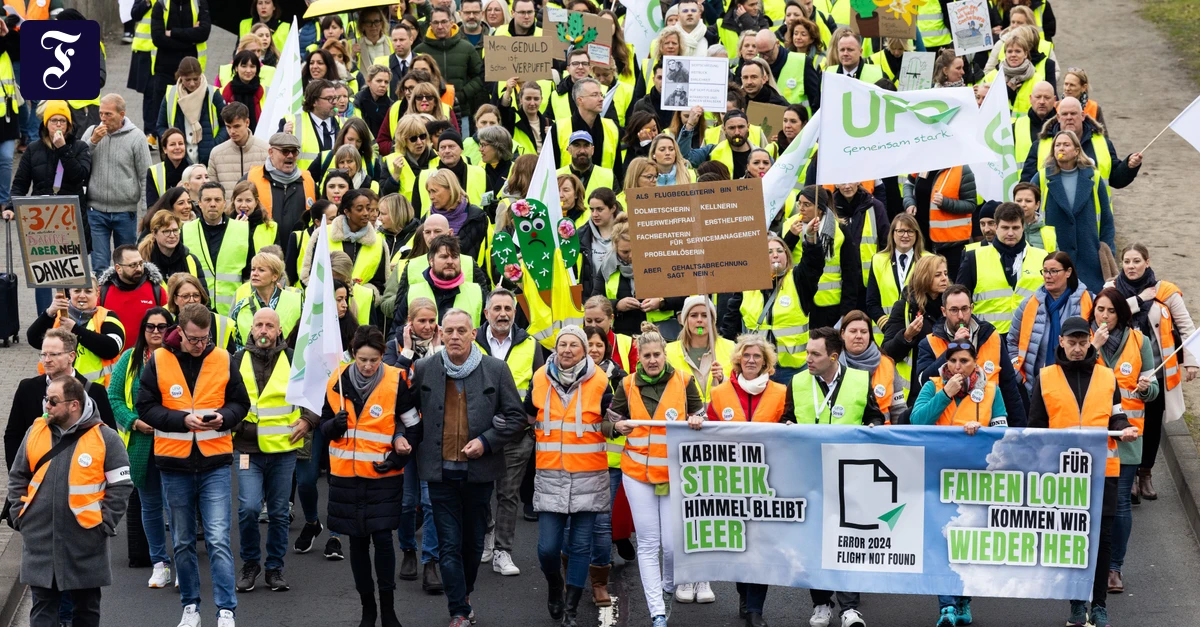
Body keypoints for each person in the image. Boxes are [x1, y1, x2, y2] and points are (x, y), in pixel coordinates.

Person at [397, 308, 526, 626]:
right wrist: (404, 435)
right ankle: (458, 610)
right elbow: (402, 405)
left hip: (479, 474)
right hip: (438, 473)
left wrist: (487, 441)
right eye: (449, 331)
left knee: (471, 544)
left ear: (473, 334)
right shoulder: (425, 368)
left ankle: (464, 594)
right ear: (441, 333)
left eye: (461, 331)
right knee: (449, 544)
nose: (455, 336)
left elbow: (517, 418)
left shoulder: (495, 369)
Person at [136, 303, 250, 627]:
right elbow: (145, 407)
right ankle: (191, 607)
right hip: (174, 464)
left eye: (205, 339)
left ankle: (226, 610)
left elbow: (241, 404)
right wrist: (181, 420)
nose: (199, 345)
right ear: (180, 332)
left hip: (214, 461)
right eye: (193, 339)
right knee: (184, 541)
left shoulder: (223, 358)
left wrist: (223, 418)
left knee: (217, 538)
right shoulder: (159, 359)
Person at [1027, 316, 1139, 627]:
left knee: (1102, 540)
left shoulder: (1107, 377)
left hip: (1103, 470)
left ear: (1090, 342)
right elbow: (1035, 428)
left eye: (1082, 342)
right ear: (1060, 342)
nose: (1077, 349)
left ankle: (1099, 605)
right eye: (1072, 343)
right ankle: (1077, 604)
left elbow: (1115, 417)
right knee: (1073, 541)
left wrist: (1125, 428)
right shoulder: (1046, 377)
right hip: (1062, 475)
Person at [6, 374, 132, 627]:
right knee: (43, 608)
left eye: (53, 401)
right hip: (40, 538)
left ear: (74, 404)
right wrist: (21, 516)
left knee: (85, 609)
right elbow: (18, 475)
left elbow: (121, 486)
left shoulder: (105, 438)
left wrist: (105, 524)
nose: (46, 406)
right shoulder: (35, 431)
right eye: (46, 399)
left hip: (85, 540)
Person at [319, 325, 417, 627]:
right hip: (346, 477)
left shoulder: (396, 380)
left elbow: (413, 425)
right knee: (357, 544)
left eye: (374, 360)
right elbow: (323, 427)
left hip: (383, 475)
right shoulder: (336, 379)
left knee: (383, 541)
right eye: (362, 359)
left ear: (381, 357)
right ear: (353, 354)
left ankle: (388, 610)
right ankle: (367, 610)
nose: (367, 366)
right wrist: (333, 426)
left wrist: (398, 456)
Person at [609, 322, 704, 627]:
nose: (651, 360)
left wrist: (696, 420)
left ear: (665, 354)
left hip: (674, 474)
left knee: (673, 546)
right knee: (649, 543)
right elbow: (609, 421)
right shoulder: (626, 384)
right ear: (638, 357)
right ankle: (657, 612)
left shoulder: (685, 380)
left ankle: (667, 586)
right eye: (646, 355)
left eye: (656, 355)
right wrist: (615, 427)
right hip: (637, 473)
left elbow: (702, 414)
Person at [783, 327, 879, 627]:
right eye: (807, 352)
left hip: (850, 473)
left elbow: (874, 415)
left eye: (815, 354)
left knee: (849, 540)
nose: (807, 359)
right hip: (810, 475)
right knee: (816, 542)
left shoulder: (860, 380)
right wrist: (785, 424)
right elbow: (788, 416)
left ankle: (850, 608)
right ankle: (821, 603)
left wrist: (875, 425)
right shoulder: (797, 382)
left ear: (833, 357)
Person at [908, 339, 1005, 627]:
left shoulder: (990, 390)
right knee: (942, 541)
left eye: (964, 361)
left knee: (969, 543)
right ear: (945, 363)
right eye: (952, 361)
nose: (958, 367)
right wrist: (944, 396)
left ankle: (963, 601)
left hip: (976, 478)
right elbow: (916, 422)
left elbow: (1003, 430)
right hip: (938, 476)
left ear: (975, 362)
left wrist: (983, 430)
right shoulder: (933, 386)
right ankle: (946, 606)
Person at [693, 333, 784, 625]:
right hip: (729, 483)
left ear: (766, 362)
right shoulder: (719, 394)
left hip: (767, 482)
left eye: (757, 356)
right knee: (739, 546)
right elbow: (705, 430)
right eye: (746, 355)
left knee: (761, 547)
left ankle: (755, 608)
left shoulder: (781, 392)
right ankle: (744, 596)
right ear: (738, 359)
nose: (751, 360)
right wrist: (697, 421)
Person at [522, 326, 611, 627]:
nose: (568, 349)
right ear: (555, 349)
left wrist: (618, 426)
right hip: (550, 475)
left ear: (585, 350)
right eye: (563, 344)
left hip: (588, 476)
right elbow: (526, 415)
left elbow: (614, 419)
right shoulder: (539, 378)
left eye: (575, 344)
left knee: (579, 547)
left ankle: (570, 610)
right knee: (547, 549)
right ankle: (554, 586)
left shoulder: (601, 382)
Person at [1106, 243, 1198, 502]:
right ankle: (1129, 475)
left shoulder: (1166, 292)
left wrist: (1192, 362)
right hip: (1120, 375)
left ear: (1147, 262)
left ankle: (1145, 474)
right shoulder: (1111, 291)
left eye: (1137, 261)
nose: (1131, 266)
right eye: (1126, 261)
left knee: (1153, 425)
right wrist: (1139, 301)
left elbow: (1186, 327)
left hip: (1155, 372)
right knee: (1125, 421)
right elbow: (1105, 315)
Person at [231, 308, 310, 594]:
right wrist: (237, 426)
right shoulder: (237, 360)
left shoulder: (293, 360)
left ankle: (275, 567)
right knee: (249, 508)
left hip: (283, 450)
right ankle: (251, 564)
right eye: (259, 325)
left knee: (278, 512)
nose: (264, 331)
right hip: (247, 449)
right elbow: (224, 397)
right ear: (251, 330)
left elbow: (313, 394)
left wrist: (309, 419)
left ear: (278, 331)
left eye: (269, 326)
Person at [1088, 287, 1156, 595]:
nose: (1104, 315)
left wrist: (1144, 389)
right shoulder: (1085, 339)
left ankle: (1114, 568)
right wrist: (1092, 348)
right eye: (1100, 310)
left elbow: (1152, 390)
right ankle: (1089, 564)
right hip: (1092, 435)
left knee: (1120, 505)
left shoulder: (1140, 341)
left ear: (1121, 314)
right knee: (1090, 503)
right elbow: (1071, 375)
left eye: (1110, 311)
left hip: (1128, 436)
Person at [476, 289, 543, 576]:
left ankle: (503, 551)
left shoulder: (531, 344)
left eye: (508, 308)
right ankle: (486, 532)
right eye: (497, 308)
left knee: (508, 494)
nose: (503, 313)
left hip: (518, 434)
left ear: (515, 312)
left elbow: (540, 385)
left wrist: (528, 417)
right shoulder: (472, 342)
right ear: (486, 312)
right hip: (481, 434)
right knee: (480, 493)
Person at [109, 307, 175, 589]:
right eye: (151, 327)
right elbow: (114, 396)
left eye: (162, 327)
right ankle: (159, 563)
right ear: (143, 330)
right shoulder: (130, 359)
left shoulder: (178, 358)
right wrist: (133, 422)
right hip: (141, 445)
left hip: (174, 441)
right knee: (149, 506)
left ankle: (182, 565)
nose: (157, 332)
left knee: (176, 506)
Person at [8, 99, 93, 310]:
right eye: (54, 120)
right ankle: (45, 324)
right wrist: (11, 207)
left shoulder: (80, 147)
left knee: (71, 276)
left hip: (71, 221)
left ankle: (71, 323)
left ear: (69, 125)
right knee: (43, 276)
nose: (58, 125)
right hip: (42, 226)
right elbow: (20, 184)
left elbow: (80, 176)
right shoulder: (33, 149)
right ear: (46, 124)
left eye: (62, 121)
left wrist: (63, 150)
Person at [914, 284, 1029, 426]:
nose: (960, 316)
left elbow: (1009, 388)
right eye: (954, 310)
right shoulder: (930, 342)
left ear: (972, 308)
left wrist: (1019, 432)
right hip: (945, 430)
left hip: (986, 425)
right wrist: (953, 347)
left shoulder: (991, 336)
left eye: (964, 309)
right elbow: (923, 380)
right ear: (944, 311)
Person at [721, 233, 823, 383]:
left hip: (791, 369)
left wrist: (811, 241)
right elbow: (731, 322)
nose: (775, 255)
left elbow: (813, 264)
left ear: (787, 256)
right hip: (756, 368)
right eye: (769, 252)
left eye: (780, 251)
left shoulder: (798, 280)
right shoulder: (747, 284)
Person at [1028, 131, 1113, 292]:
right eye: (1057, 145)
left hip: (1089, 260)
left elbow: (1107, 220)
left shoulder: (1094, 178)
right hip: (1053, 258)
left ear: (1076, 150)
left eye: (1066, 145)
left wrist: (1106, 250)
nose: (1061, 148)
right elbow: (1027, 215)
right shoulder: (1041, 178)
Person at [956, 202, 1048, 336]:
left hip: (1032, 336)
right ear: (996, 227)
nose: (1010, 233)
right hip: (987, 337)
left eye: (1015, 227)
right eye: (1005, 227)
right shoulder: (973, 258)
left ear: (1023, 227)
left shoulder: (1042, 257)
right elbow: (958, 301)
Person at [1009, 251, 1094, 394]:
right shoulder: (1029, 304)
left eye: (1054, 271)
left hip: (1078, 384)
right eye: (1045, 271)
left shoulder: (1089, 301)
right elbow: (1012, 341)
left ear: (1068, 272)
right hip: (1035, 386)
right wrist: (1018, 373)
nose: (1048, 276)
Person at [85, 95, 152, 273]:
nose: (103, 119)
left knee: (128, 265)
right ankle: (102, 301)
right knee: (99, 266)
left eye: (108, 114)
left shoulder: (136, 137)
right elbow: (77, 162)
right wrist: (92, 142)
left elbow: (146, 176)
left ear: (121, 114)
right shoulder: (92, 131)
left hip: (125, 212)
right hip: (96, 211)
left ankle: (125, 299)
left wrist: (146, 212)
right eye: (101, 113)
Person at [1021, 97, 1142, 189]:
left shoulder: (1103, 144)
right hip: (1052, 218)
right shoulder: (1040, 146)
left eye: (1073, 113)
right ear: (1058, 117)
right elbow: (1027, 185)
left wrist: (1129, 166)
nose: (1069, 117)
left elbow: (1116, 180)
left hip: (1093, 219)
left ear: (1082, 116)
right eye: (1064, 114)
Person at [592, 221, 685, 339]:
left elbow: (684, 296)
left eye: (634, 250)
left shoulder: (662, 263)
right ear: (615, 247)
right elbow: (594, 302)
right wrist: (617, 305)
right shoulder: (607, 267)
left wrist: (661, 302)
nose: (630, 256)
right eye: (624, 252)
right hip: (623, 336)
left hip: (660, 334)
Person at [26, 278, 125, 386]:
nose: (82, 295)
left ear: (97, 294)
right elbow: (33, 339)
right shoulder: (58, 315)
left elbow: (112, 348)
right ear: (70, 293)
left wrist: (76, 330)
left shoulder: (107, 317)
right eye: (77, 291)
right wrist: (49, 312)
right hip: (56, 388)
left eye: (88, 291)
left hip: (93, 390)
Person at [882, 254, 949, 399]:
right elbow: (887, 352)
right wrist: (906, 336)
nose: (944, 278)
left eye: (945, 273)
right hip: (916, 392)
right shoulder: (904, 308)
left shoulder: (952, 306)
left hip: (949, 387)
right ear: (924, 277)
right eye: (938, 275)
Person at [300, 189, 389, 296]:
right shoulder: (322, 234)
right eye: (360, 209)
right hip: (325, 303)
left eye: (368, 209)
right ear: (347, 212)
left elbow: (382, 283)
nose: (366, 213)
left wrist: (365, 293)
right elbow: (308, 274)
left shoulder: (378, 242)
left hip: (362, 307)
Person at [904, 166, 978, 283]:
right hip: (922, 242)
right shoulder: (923, 163)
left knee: (950, 287)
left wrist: (946, 202)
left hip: (951, 244)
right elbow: (909, 184)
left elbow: (971, 204)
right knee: (925, 286)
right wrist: (909, 202)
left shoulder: (962, 169)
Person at [244, 132, 318, 248]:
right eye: (285, 151)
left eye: (294, 151)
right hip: (264, 253)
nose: (290, 156)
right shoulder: (251, 179)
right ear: (271, 152)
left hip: (299, 252)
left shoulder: (308, 180)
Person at [866, 214, 927, 348]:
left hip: (919, 333)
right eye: (900, 231)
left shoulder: (928, 260)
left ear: (917, 234)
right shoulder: (878, 260)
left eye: (910, 231)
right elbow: (872, 302)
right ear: (892, 233)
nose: (905, 235)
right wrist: (889, 327)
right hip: (885, 334)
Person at [415, 6, 485, 120]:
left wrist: (462, 94)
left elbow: (480, 75)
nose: (440, 26)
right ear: (430, 25)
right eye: (436, 23)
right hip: (427, 112)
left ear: (451, 23)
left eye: (444, 22)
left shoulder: (466, 48)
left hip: (461, 112)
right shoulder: (420, 50)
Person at [157, 57, 227, 166]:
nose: (192, 84)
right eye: (187, 80)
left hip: (209, 160)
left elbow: (226, 125)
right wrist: (173, 143)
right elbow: (161, 126)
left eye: (196, 79)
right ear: (180, 77)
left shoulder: (213, 94)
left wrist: (214, 145)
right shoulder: (170, 95)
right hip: (179, 160)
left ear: (201, 75)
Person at [839, 311, 905, 423]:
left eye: (864, 332)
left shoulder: (887, 364)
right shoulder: (832, 365)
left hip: (880, 436)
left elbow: (898, 409)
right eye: (853, 331)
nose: (858, 336)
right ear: (842, 334)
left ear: (870, 335)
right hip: (845, 436)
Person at [98, 245, 168, 350]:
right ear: (118, 268)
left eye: (141, 263)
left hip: (147, 358)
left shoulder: (157, 290)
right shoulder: (103, 291)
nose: (139, 269)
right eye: (133, 265)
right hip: (112, 359)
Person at [229, 252, 304, 345]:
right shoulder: (241, 306)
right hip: (249, 359)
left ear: (275, 276)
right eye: (253, 269)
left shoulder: (298, 301)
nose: (254, 274)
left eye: (261, 270)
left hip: (288, 358)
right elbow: (235, 343)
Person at [981, 26, 1054, 118]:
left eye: (1018, 51)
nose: (1013, 55)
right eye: (1010, 51)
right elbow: (983, 105)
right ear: (1005, 53)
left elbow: (1044, 109)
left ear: (1026, 54)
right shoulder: (991, 77)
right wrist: (1007, 91)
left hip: (1024, 129)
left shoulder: (1037, 79)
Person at [208, 104, 270, 195]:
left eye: (236, 126)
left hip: (258, 208)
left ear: (247, 122)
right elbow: (212, 190)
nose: (232, 131)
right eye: (228, 127)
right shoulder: (216, 153)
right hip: (227, 209)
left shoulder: (266, 150)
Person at [678, 109, 756, 179]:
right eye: (732, 128)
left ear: (748, 127)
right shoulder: (711, 151)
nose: (737, 132)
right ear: (724, 129)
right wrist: (689, 125)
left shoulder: (761, 154)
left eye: (741, 127)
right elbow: (684, 157)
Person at [138, 210, 207, 284]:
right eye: (166, 231)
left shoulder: (190, 260)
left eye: (175, 230)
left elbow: (203, 293)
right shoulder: (143, 262)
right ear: (154, 233)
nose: (172, 235)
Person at [219, 52, 266, 132]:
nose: (248, 70)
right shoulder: (223, 92)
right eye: (244, 66)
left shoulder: (265, 92)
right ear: (236, 68)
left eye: (252, 66)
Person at [1013, 182, 1057, 251]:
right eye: (1019, 201)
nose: (1023, 204)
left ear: (1037, 205)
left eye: (1028, 201)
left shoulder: (1048, 234)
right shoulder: (1006, 230)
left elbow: (1056, 260)